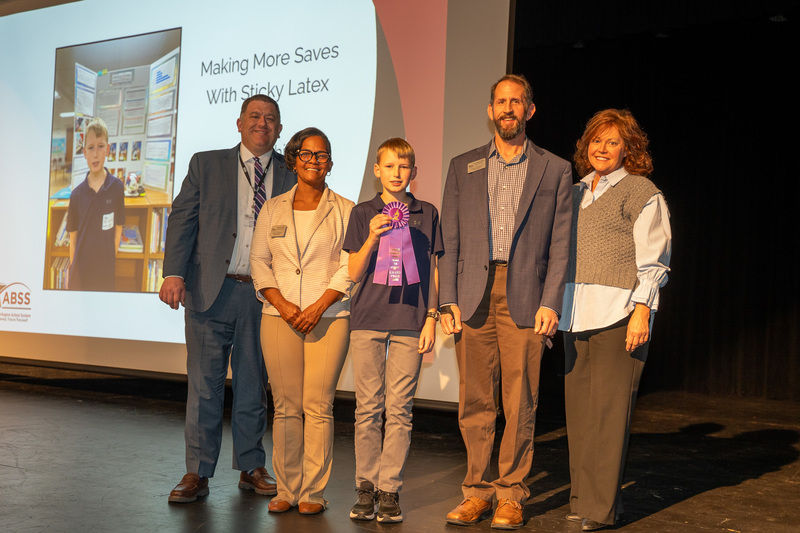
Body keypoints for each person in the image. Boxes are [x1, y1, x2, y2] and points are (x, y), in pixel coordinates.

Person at [439, 74, 573, 529]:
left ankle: (511, 493)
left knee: (520, 402)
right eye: (501, 101)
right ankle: (476, 491)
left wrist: (551, 301)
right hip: (472, 297)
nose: (509, 108)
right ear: (490, 110)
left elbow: (560, 245)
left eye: (517, 101)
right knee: (475, 401)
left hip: (526, 298)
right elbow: (449, 241)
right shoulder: (463, 165)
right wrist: (446, 300)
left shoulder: (554, 169)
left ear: (530, 111)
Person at [159, 95, 295, 503]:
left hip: (263, 295)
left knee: (254, 385)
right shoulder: (207, 163)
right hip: (209, 291)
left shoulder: (291, 174)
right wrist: (174, 272)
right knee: (204, 387)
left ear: (280, 129)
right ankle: (197, 472)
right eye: (255, 116)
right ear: (239, 123)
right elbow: (183, 218)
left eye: (271, 119)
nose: (262, 124)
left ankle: (251, 466)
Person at [559, 109, 672, 531]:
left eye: (612, 142)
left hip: (619, 314)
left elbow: (655, 258)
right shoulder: (573, 192)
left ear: (629, 149)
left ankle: (600, 510)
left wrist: (642, 310)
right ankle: (585, 501)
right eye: (596, 141)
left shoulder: (640, 191)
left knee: (608, 416)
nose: (602, 149)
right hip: (575, 313)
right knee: (581, 414)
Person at [250, 127, 353, 515]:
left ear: (330, 162)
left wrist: (318, 306)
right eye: (306, 154)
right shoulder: (272, 208)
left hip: (329, 316)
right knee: (286, 406)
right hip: (279, 315)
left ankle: (313, 492)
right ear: (293, 159)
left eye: (322, 155)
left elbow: (350, 267)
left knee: (319, 406)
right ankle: (287, 489)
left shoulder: (346, 209)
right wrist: (283, 302)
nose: (314, 161)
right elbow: (260, 261)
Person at [344, 138, 443, 523]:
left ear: (413, 172)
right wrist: (372, 235)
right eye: (389, 166)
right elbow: (353, 273)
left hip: (410, 322)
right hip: (367, 320)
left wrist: (432, 317)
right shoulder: (362, 212)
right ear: (377, 170)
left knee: (400, 409)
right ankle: (365, 488)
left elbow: (434, 270)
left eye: (404, 167)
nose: (397, 173)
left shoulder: (427, 212)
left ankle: (390, 490)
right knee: (368, 408)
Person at [66, 118, 124, 291]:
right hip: (81, 271)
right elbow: (73, 237)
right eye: (91, 148)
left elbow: (118, 227)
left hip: (105, 269)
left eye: (100, 147)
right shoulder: (76, 195)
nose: (95, 154)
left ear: (107, 149)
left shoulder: (117, 187)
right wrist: (72, 268)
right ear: (84, 152)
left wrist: (111, 258)